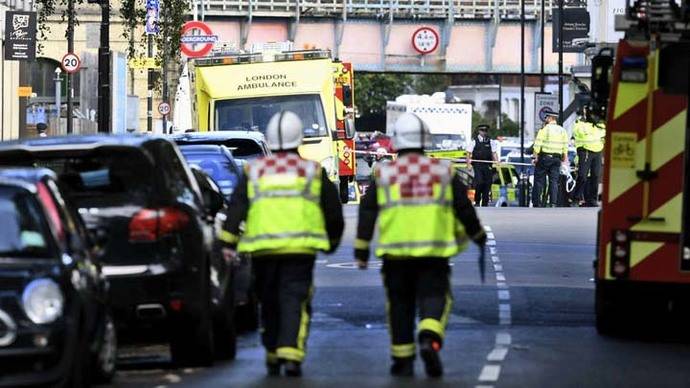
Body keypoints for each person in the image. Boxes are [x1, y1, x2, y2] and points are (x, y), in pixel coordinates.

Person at [354, 112, 487, 378]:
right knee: (435, 298)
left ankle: (402, 360)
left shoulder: (383, 173)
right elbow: (464, 208)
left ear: (396, 142)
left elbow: (368, 213)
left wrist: (361, 249)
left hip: (395, 256)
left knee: (399, 306)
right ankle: (429, 337)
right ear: (424, 140)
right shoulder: (443, 171)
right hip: (433, 255)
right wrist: (477, 235)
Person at [218, 111, 344, 377]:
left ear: (271, 141)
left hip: (262, 251)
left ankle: (273, 351)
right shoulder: (313, 171)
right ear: (299, 138)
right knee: (294, 299)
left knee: (269, 300)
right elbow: (332, 211)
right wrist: (332, 241)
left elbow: (236, 208)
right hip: (300, 250)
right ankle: (291, 353)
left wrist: (227, 243)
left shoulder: (254, 171)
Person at [532, 111, 568, 207]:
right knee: (554, 181)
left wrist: (535, 156)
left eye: (546, 117)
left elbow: (538, 143)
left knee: (539, 180)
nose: (545, 119)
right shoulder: (562, 130)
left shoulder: (545, 129)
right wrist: (565, 155)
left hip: (545, 158)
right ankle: (553, 203)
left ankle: (537, 202)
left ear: (550, 118)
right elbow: (565, 144)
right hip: (557, 159)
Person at [571, 107, 605, 207]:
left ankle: (592, 200)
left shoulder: (599, 123)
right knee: (582, 175)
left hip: (597, 151)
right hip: (585, 150)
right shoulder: (579, 122)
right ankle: (576, 199)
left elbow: (604, 134)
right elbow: (579, 134)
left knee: (596, 175)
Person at [467, 124, 498, 206]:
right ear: (479, 131)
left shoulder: (491, 141)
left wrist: (497, 162)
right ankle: (477, 200)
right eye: (482, 130)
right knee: (479, 182)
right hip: (478, 165)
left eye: (485, 130)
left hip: (487, 165)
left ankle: (485, 202)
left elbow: (494, 153)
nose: (484, 132)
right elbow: (469, 154)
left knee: (487, 184)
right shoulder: (474, 141)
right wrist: (468, 164)